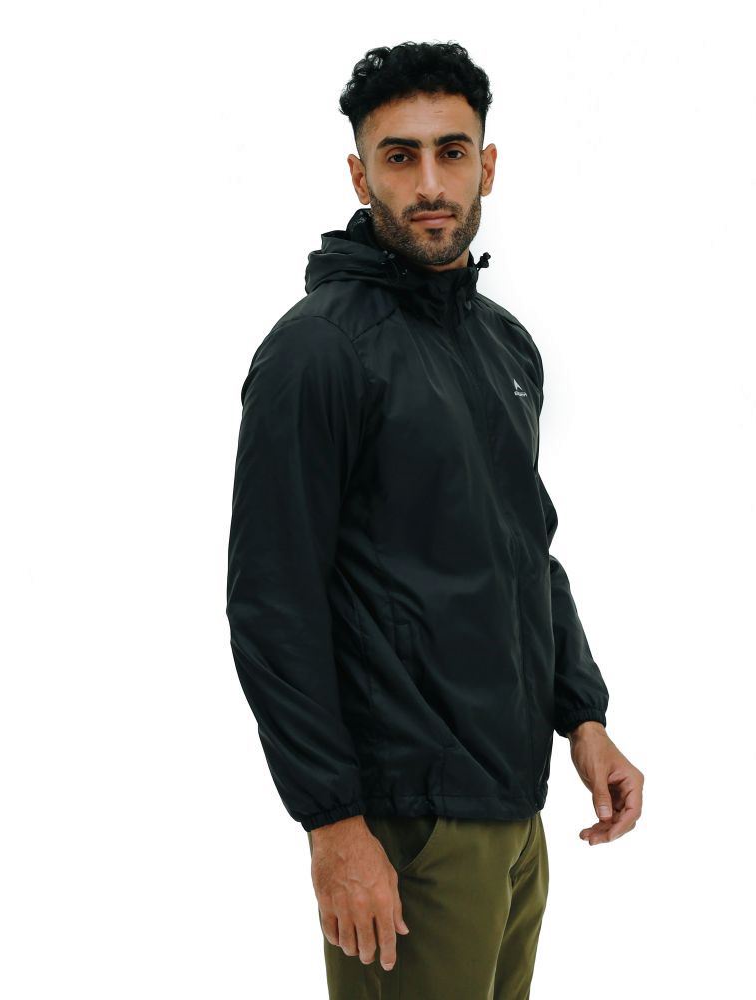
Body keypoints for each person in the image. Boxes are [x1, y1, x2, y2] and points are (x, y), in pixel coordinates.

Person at [225, 40, 644, 999]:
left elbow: (524, 550)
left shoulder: (503, 346)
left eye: (450, 152)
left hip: (514, 813)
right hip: (403, 826)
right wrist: (334, 825)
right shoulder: (317, 354)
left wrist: (582, 715)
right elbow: (271, 604)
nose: (428, 184)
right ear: (359, 174)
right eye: (399, 155)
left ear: (486, 164)